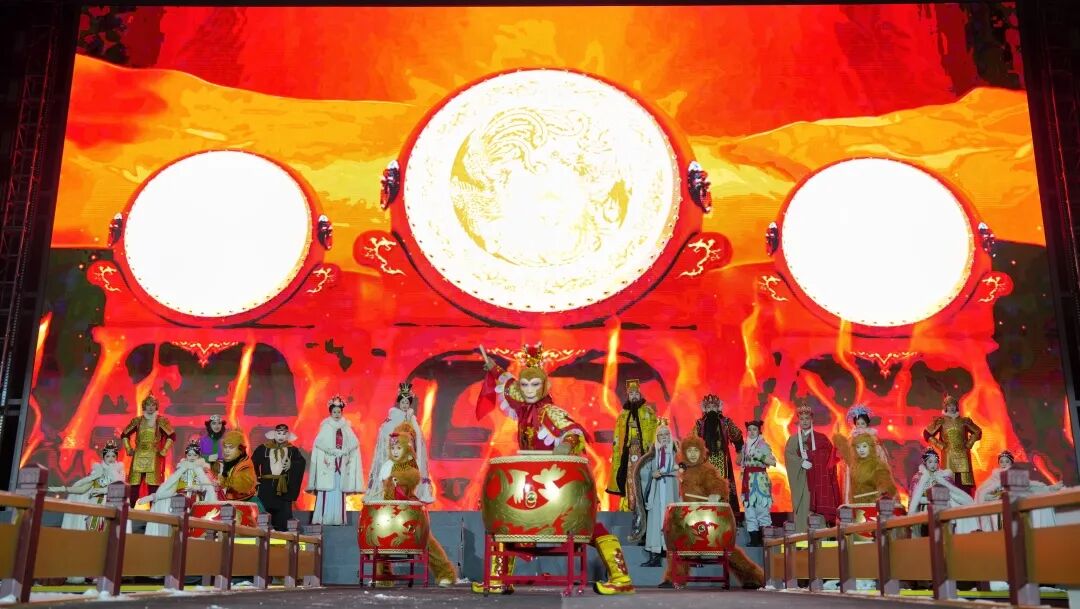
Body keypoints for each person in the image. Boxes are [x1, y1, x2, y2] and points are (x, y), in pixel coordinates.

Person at [475, 343, 632, 595]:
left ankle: (621, 578)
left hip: (555, 486)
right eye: (525, 385)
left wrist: (565, 447)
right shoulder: (525, 411)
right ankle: (498, 580)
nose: (529, 390)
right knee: (508, 524)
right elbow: (507, 382)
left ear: (544, 386)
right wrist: (493, 367)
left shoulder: (549, 412)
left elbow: (574, 432)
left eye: (535, 384)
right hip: (532, 485)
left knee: (587, 528)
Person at [658, 434, 764, 589]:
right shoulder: (682, 469)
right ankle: (673, 578)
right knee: (678, 546)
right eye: (689, 451)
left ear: (701, 452)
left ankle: (753, 576)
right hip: (688, 518)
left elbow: (719, 485)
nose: (693, 454)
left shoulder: (706, 469)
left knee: (726, 550)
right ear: (684, 452)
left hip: (707, 519)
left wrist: (716, 494)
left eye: (696, 450)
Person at [375, 425, 457, 587]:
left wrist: (396, 479)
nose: (395, 451)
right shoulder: (387, 465)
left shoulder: (410, 465)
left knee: (425, 540)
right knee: (382, 541)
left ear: (406, 447)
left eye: (399, 448)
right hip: (390, 508)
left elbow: (412, 478)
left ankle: (445, 573)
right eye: (393, 448)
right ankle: (384, 577)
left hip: (409, 508)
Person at [368, 382, 433, 503]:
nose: (405, 405)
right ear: (399, 403)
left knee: (408, 480)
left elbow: (418, 438)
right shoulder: (393, 417)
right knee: (394, 480)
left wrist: (410, 428)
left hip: (408, 455)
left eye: (407, 403)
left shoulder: (412, 418)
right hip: (396, 455)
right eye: (403, 402)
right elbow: (385, 433)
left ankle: (408, 497)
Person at [137, 439, 218, 536]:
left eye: (195, 455)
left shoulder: (203, 469)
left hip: (195, 499)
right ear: (186, 455)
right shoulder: (181, 469)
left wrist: (197, 488)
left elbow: (208, 486)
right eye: (189, 455)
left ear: (199, 456)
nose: (192, 457)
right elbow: (171, 486)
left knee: (194, 522)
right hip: (180, 499)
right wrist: (154, 496)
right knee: (176, 517)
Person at [783, 400, 841, 531]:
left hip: (818, 480)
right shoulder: (793, 440)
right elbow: (789, 456)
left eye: (807, 418)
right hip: (802, 479)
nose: (804, 421)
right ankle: (802, 536)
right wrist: (801, 462)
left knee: (818, 510)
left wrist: (813, 457)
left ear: (811, 420)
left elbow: (829, 459)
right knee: (804, 506)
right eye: (802, 419)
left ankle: (820, 537)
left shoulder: (822, 438)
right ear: (798, 420)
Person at [607, 379, 659, 519]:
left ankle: (644, 509)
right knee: (628, 479)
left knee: (643, 478)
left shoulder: (648, 412)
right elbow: (617, 435)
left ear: (640, 394)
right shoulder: (623, 414)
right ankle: (628, 508)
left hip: (643, 452)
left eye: (636, 393)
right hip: (628, 453)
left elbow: (654, 430)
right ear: (628, 396)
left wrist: (639, 427)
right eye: (631, 394)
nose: (634, 396)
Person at [308, 396, 364, 525]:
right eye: (334, 412)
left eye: (339, 412)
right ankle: (323, 518)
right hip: (328, 465)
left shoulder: (346, 426)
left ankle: (338, 519)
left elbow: (354, 442)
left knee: (339, 490)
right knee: (327, 490)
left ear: (342, 412)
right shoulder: (326, 426)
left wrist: (344, 451)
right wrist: (331, 451)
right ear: (330, 412)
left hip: (341, 464)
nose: (337, 414)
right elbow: (319, 443)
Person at [48, 440, 124, 531]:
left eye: (113, 456)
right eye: (108, 456)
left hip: (110, 506)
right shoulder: (98, 471)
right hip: (96, 504)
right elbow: (85, 486)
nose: (111, 459)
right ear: (103, 457)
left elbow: (119, 489)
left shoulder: (119, 473)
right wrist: (66, 488)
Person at [975, 450, 1062, 529]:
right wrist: (992, 496)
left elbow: (1029, 484)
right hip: (1000, 507)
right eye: (1001, 462)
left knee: (1034, 492)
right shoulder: (995, 476)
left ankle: (1050, 489)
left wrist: (1046, 488)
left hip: (1016, 506)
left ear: (1011, 463)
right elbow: (982, 492)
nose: (1004, 464)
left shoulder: (1016, 474)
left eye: (1006, 461)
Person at [634, 419, 679, 566]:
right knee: (656, 521)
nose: (664, 437)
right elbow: (642, 473)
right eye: (661, 435)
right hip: (657, 491)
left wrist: (676, 472)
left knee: (671, 521)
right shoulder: (652, 455)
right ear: (657, 437)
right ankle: (655, 556)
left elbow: (684, 471)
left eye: (667, 434)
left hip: (671, 491)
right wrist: (652, 474)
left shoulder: (677, 453)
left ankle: (673, 555)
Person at [120, 394, 175, 506]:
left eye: (153, 405)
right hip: (138, 455)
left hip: (153, 455)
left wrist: (164, 450)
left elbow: (172, 435)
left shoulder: (161, 421)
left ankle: (153, 510)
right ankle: (130, 509)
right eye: (148, 405)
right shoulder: (137, 421)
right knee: (134, 484)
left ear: (156, 406)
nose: (150, 407)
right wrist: (128, 449)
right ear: (144, 406)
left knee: (153, 486)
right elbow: (124, 434)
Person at [922, 395, 982, 495]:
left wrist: (969, 444)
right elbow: (927, 434)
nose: (952, 407)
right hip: (948, 456)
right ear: (946, 407)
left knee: (964, 485)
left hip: (963, 457)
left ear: (956, 406)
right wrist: (940, 445)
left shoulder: (964, 421)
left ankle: (966, 503)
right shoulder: (941, 421)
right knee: (949, 483)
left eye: (953, 405)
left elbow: (978, 432)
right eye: (949, 405)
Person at [908, 447, 978, 534]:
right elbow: (915, 498)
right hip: (927, 508)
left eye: (935, 462)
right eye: (930, 462)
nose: (933, 464)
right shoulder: (918, 478)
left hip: (945, 506)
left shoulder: (944, 476)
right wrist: (931, 500)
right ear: (925, 463)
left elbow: (953, 493)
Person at [693, 395, 743, 516]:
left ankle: (724, 515)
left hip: (722, 459)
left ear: (718, 408)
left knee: (723, 486)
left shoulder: (725, 422)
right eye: (708, 407)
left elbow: (737, 435)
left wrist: (739, 452)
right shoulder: (700, 423)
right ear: (705, 409)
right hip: (706, 461)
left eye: (714, 407)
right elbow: (692, 440)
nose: (711, 409)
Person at [252, 424, 306, 531]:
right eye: (279, 433)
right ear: (274, 434)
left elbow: (301, 463)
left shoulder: (293, 450)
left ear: (288, 435)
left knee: (283, 516)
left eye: (284, 433)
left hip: (283, 488)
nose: (281, 436)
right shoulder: (263, 448)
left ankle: (282, 535)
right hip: (266, 487)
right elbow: (253, 463)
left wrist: (292, 464)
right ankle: (263, 536)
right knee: (264, 515)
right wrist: (256, 479)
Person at [738, 420, 776, 547]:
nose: (751, 432)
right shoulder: (745, 446)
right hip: (747, 481)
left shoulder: (763, 445)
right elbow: (740, 463)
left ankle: (765, 540)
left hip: (760, 481)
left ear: (759, 431)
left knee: (762, 510)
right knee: (749, 511)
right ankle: (754, 540)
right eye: (749, 429)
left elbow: (773, 462)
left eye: (754, 429)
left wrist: (759, 455)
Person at [834, 431, 896, 504]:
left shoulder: (877, 465)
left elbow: (886, 484)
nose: (861, 450)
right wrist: (839, 439)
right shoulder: (854, 463)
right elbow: (846, 451)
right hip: (856, 506)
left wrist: (883, 490)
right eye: (858, 447)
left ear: (871, 447)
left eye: (864, 446)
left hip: (871, 505)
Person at [218, 430, 256, 501]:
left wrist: (223, 482)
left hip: (246, 501)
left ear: (240, 449)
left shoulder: (245, 464)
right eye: (225, 447)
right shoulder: (231, 461)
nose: (227, 450)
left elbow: (243, 487)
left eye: (231, 447)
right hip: (232, 500)